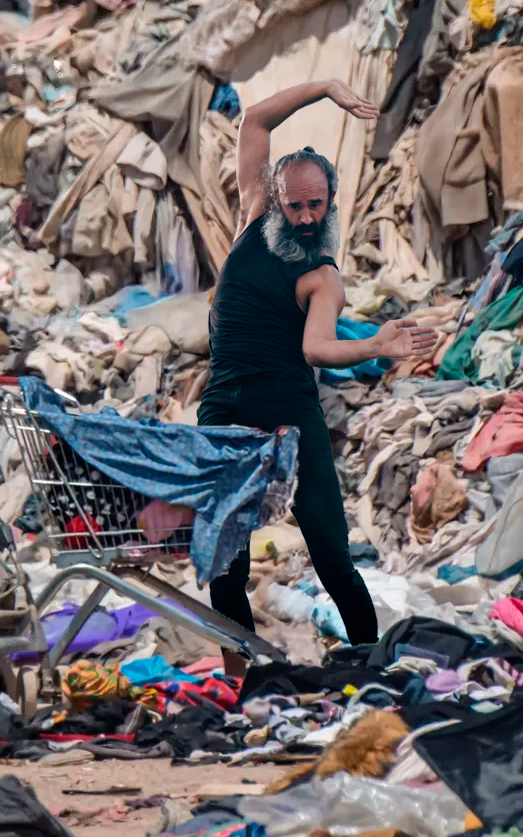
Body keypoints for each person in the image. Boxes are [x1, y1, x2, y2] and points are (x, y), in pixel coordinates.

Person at [200, 79, 439, 674]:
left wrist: (377, 346)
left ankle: (372, 666)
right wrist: (328, 88)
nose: (307, 218)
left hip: (290, 419)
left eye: (318, 206)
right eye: (296, 205)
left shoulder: (322, 273)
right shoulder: (252, 214)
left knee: (333, 556)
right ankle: (239, 681)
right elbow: (254, 119)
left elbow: (316, 348)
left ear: (330, 203)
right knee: (225, 560)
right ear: (275, 197)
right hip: (224, 411)